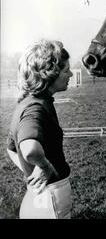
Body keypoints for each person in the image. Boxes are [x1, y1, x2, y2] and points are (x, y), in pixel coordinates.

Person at [6, 39, 73, 218]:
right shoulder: (36, 108)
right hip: (50, 199)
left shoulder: (27, 103)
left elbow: (11, 149)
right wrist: (43, 167)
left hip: (38, 198)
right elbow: (30, 149)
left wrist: (31, 171)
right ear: (48, 74)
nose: (71, 74)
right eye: (66, 70)